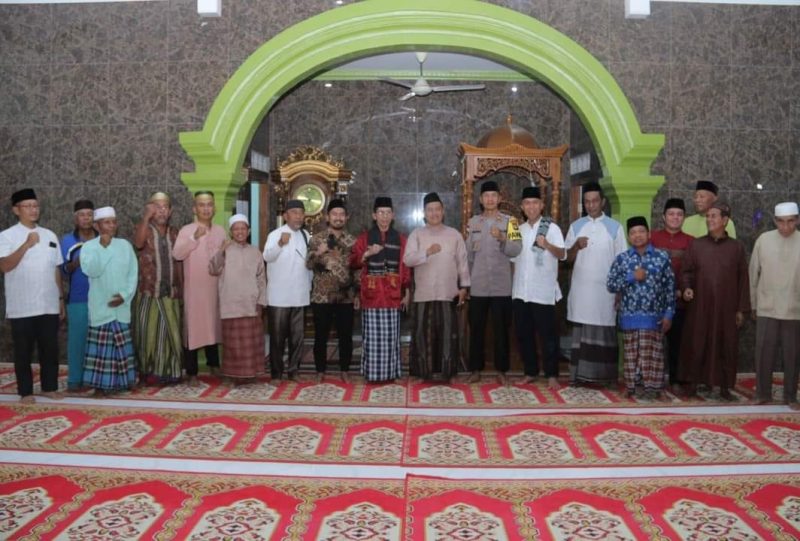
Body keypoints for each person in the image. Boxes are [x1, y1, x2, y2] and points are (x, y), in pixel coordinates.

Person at [679, 201, 750, 401]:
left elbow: (743, 280)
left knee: (725, 345)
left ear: (725, 220)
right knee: (697, 342)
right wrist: (687, 289)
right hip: (700, 306)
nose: (709, 220)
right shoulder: (697, 245)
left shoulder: (736, 248)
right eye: (708, 216)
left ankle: (725, 387)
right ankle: (693, 384)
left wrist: (740, 309)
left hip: (727, 309)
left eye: (714, 216)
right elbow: (686, 272)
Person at [0, 189, 64, 403]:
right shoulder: (7, 236)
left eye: (35, 205)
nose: (33, 210)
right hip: (22, 305)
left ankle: (49, 387)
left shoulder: (50, 235)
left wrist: (60, 299)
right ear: (16, 210)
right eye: (28, 206)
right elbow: (5, 266)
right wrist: (26, 245)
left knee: (49, 349)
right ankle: (25, 391)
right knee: (23, 351)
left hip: (48, 303)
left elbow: (56, 269)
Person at [565, 182, 627, 387]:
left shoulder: (615, 228)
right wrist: (575, 246)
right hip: (582, 291)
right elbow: (566, 260)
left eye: (594, 201)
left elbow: (622, 262)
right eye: (587, 202)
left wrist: (619, 291)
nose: (591, 205)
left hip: (605, 292)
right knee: (581, 333)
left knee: (604, 331)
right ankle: (579, 377)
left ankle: (605, 378)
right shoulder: (576, 226)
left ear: (603, 202)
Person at [404, 192, 470, 383]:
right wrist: (426, 252)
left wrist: (464, 287)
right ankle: (423, 373)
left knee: (448, 334)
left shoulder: (454, 234)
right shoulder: (417, 234)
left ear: (443, 211)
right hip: (423, 295)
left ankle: (448, 373)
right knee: (423, 334)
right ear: (424, 213)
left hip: (448, 293)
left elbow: (462, 263)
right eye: (430, 210)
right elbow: (408, 259)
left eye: (437, 209)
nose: (434, 213)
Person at [607, 216, 675, 400]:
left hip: (655, 317)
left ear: (649, 234)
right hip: (629, 317)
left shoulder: (662, 258)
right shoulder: (622, 259)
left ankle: (655, 389)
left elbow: (669, 287)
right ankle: (631, 387)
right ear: (629, 237)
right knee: (631, 355)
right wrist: (631, 277)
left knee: (653, 355)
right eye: (633, 233)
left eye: (641, 231)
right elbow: (611, 284)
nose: (637, 236)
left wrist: (669, 314)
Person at [465, 180, 522, 384]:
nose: (490, 199)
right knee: (477, 330)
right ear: (481, 199)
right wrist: (466, 285)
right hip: (478, 285)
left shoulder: (511, 222)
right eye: (486, 196)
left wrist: (503, 238)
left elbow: (516, 249)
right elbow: (468, 256)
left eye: (493, 196)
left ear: (500, 198)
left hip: (501, 286)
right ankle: (475, 369)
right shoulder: (472, 223)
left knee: (501, 331)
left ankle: (502, 371)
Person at [350, 196, 411, 383]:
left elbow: (405, 267)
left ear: (393, 215)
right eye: (380, 213)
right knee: (372, 339)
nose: (384, 217)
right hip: (372, 295)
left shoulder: (400, 239)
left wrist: (407, 293)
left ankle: (391, 373)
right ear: (374, 215)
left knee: (392, 338)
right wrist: (368, 253)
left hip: (393, 296)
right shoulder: (364, 238)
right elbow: (352, 262)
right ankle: (373, 374)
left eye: (387, 213)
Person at [511, 186, 566, 389]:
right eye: (527, 203)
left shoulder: (552, 228)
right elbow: (512, 258)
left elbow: (563, 255)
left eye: (535, 203)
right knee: (524, 334)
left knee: (548, 335)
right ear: (522, 207)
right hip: (521, 291)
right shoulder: (517, 229)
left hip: (543, 292)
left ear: (542, 205)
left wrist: (548, 245)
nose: (531, 206)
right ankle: (530, 372)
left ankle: (552, 374)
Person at [80, 206, 138, 396]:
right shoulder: (89, 247)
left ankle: (123, 383)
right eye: (107, 222)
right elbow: (92, 270)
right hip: (101, 306)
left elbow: (132, 275)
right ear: (97, 226)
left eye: (113, 222)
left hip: (121, 305)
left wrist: (124, 295)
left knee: (121, 348)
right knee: (101, 350)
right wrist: (103, 248)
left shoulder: (125, 246)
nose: (111, 226)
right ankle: (100, 385)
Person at [749, 201, 800, 407]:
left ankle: (790, 396)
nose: (785, 227)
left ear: (797, 220)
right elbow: (753, 273)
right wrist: (753, 303)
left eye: (790, 222)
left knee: (793, 355)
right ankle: (762, 394)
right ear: (774, 221)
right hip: (767, 306)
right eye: (781, 222)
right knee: (763, 352)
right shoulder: (764, 240)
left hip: (794, 307)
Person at [173, 191, 225, 385]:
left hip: (214, 288)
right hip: (194, 290)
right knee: (194, 329)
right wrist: (194, 238)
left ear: (214, 208)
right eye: (201, 205)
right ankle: (192, 372)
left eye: (209, 204)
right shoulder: (187, 230)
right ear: (195, 209)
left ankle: (214, 366)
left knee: (212, 326)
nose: (206, 209)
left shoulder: (220, 231)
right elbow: (177, 254)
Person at [131, 192, 183, 386]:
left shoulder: (175, 233)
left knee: (172, 336)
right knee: (147, 335)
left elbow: (179, 263)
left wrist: (182, 288)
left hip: (171, 293)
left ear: (170, 211)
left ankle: (169, 372)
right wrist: (145, 217)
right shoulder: (143, 228)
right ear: (150, 208)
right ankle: (145, 372)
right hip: (148, 292)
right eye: (157, 207)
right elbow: (138, 243)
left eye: (165, 207)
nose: (161, 211)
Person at [210, 214, 267, 383]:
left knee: (250, 345)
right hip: (230, 304)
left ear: (248, 231)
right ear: (231, 232)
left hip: (250, 304)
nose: (240, 232)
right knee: (233, 345)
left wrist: (261, 302)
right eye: (236, 229)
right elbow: (212, 269)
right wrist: (220, 250)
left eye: (243, 228)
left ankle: (251, 375)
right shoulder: (225, 250)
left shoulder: (256, 252)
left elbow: (262, 279)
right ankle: (231, 375)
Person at [306, 199, 359, 383]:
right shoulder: (317, 239)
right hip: (322, 296)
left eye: (341, 214)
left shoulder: (353, 241)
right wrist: (319, 253)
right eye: (334, 214)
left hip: (345, 297)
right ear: (328, 217)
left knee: (346, 336)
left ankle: (345, 370)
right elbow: (308, 264)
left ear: (347, 218)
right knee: (320, 335)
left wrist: (358, 294)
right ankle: (320, 371)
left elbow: (357, 270)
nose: (338, 218)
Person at [263, 199, 312, 381]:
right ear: (285, 216)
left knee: (297, 338)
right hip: (279, 297)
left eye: (301, 212)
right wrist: (280, 244)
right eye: (294, 212)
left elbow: (310, 265)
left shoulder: (306, 235)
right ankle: (276, 373)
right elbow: (267, 256)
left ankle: (294, 371)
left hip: (300, 295)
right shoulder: (276, 234)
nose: (298, 216)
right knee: (278, 338)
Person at [650, 198, 693, 389]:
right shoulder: (652, 238)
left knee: (679, 342)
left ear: (684, 217)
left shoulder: (691, 242)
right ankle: (653, 380)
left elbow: (692, 271)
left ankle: (677, 379)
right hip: (654, 301)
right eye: (671, 214)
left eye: (679, 214)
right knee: (653, 343)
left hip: (680, 301)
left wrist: (682, 291)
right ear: (663, 217)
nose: (675, 218)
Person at [60, 199, 96, 393]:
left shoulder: (102, 239)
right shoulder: (67, 241)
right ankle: (74, 381)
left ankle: (93, 378)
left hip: (100, 300)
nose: (86, 218)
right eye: (82, 215)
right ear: (76, 218)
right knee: (77, 341)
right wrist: (77, 263)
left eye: (89, 215)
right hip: (78, 299)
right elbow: (63, 271)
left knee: (97, 341)